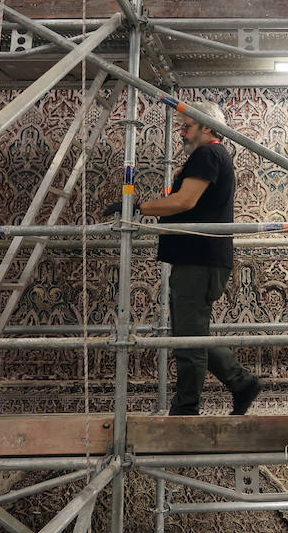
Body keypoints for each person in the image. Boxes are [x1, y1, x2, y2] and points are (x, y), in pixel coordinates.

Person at [104, 101, 261, 416]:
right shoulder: (210, 157)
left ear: (206, 127)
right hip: (199, 258)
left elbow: (185, 201)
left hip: (199, 259)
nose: (181, 131)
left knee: (188, 340)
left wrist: (137, 208)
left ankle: (185, 410)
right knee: (190, 334)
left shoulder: (208, 154)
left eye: (187, 125)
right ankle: (241, 382)